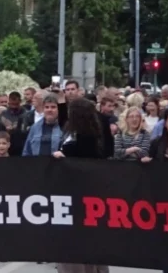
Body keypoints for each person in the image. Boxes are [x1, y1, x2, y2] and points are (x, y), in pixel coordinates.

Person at [54, 97, 109, 273]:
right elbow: (62, 119)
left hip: (81, 195)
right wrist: (61, 101)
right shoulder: (75, 132)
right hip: (73, 193)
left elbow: (83, 163)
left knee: (80, 241)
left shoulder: (87, 139)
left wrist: (63, 157)